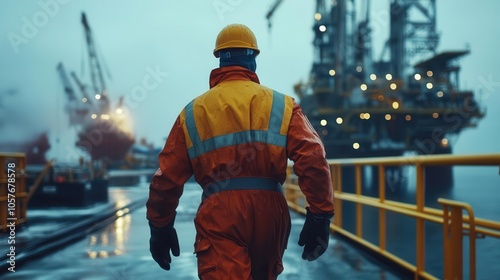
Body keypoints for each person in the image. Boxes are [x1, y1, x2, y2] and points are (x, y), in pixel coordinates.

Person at [146, 23, 335, 279]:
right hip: (270, 211)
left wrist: (160, 225)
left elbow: (166, 177)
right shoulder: (283, 105)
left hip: (220, 212)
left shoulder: (193, 112)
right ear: (253, 59)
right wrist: (320, 214)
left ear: (220, 60)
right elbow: (313, 157)